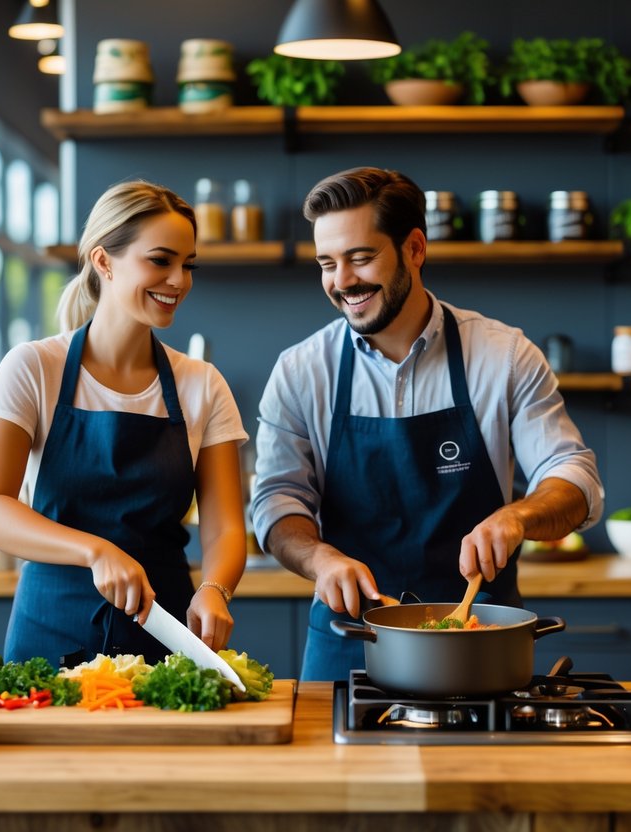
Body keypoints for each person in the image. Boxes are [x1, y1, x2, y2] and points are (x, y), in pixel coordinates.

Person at [250, 167, 603, 681]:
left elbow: (574, 477)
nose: (341, 281)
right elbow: (277, 503)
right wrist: (321, 560)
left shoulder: (503, 357)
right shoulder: (302, 371)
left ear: (415, 248)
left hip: (479, 643)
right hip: (351, 642)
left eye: (360, 257)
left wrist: (518, 517)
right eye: (327, 263)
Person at [0, 180, 248, 668]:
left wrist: (214, 588)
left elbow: (225, 527)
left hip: (164, 634)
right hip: (49, 634)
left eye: (188, 264)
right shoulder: (34, 368)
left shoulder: (202, 385)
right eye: (160, 260)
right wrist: (95, 551)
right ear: (103, 261)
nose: (178, 280)